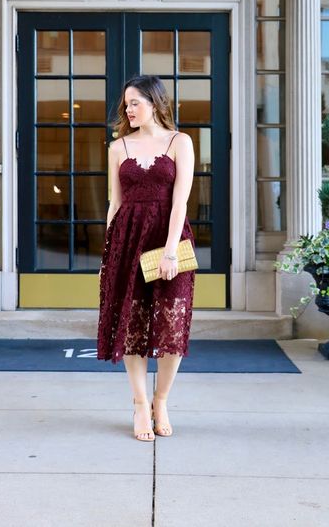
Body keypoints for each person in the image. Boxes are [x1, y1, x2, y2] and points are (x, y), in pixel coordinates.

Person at [97, 74, 196, 441]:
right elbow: (116, 202)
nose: (128, 109)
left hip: (169, 239)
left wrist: (170, 250)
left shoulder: (179, 142)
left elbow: (181, 201)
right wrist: (108, 253)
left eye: (135, 102)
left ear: (155, 103)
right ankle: (140, 404)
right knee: (132, 325)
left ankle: (161, 400)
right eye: (126, 103)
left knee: (172, 323)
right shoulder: (118, 147)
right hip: (126, 241)